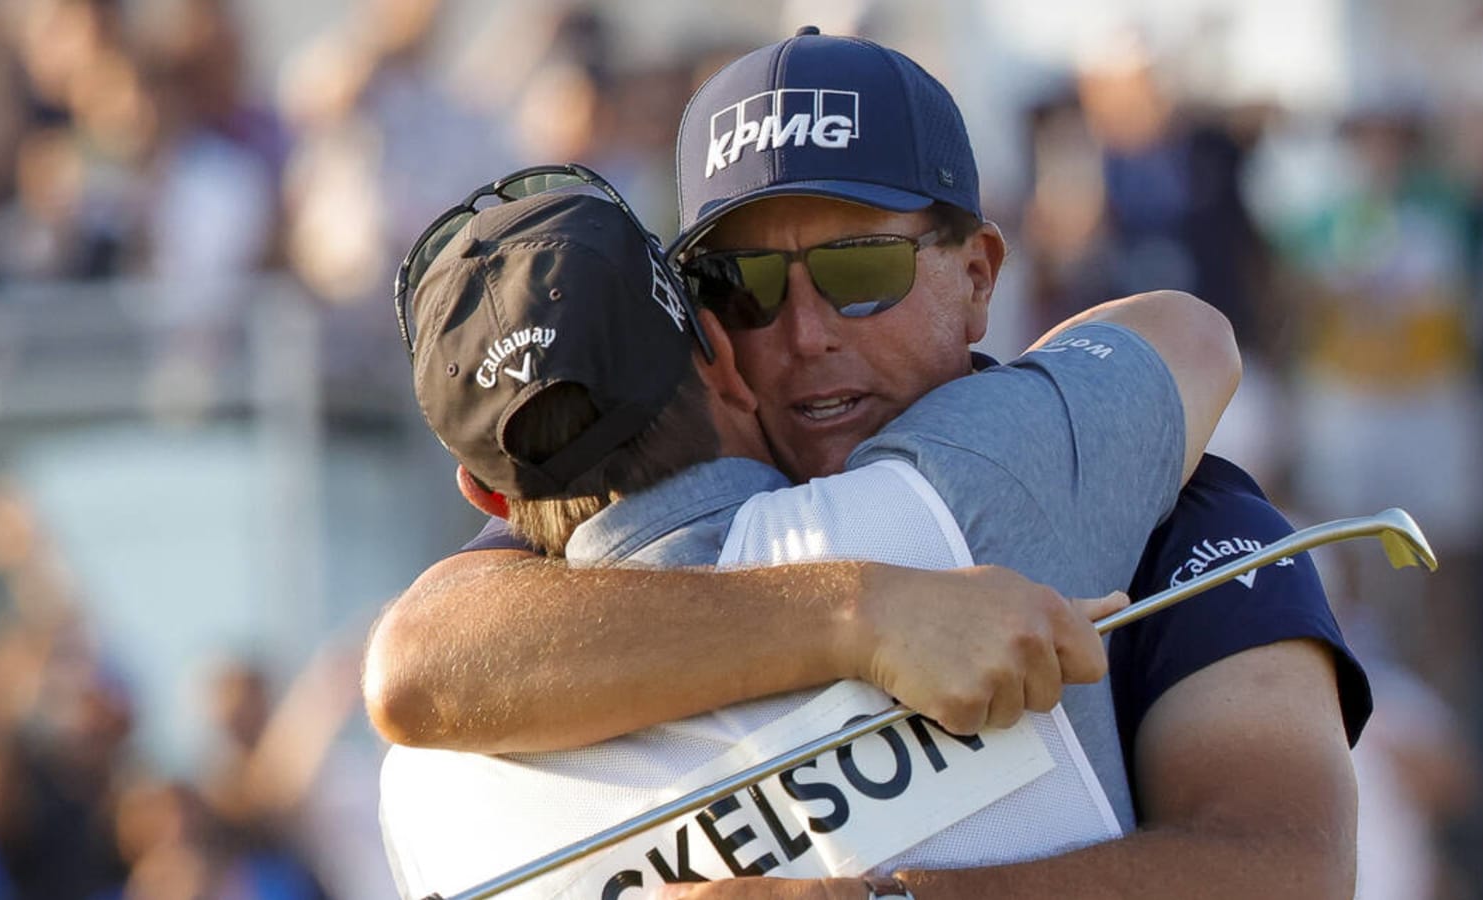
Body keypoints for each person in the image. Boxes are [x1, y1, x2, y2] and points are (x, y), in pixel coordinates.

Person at [366, 29, 1370, 898]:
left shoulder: (1160, 489)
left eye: (860, 273)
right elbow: (417, 659)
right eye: (742, 285)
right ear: (698, 336)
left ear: (976, 277)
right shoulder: (589, 539)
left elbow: (1282, 869)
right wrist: (863, 610)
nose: (804, 334)